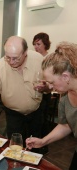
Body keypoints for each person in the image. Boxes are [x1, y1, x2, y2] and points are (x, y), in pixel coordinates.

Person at [0, 36, 48, 153]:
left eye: (15, 58)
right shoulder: (1, 66)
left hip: (36, 113)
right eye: (8, 57)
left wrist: (46, 87)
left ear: (25, 52)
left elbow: (52, 83)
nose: (11, 62)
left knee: (36, 151)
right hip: (14, 116)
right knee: (15, 150)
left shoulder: (39, 60)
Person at [26, 41, 77, 169]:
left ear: (65, 77)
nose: (50, 87)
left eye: (51, 82)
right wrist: (43, 141)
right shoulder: (64, 96)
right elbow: (66, 125)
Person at [33, 32, 52, 154]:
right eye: (34, 44)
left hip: (45, 93)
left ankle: (43, 145)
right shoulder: (33, 58)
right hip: (36, 92)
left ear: (45, 44)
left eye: (38, 44)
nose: (36, 47)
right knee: (36, 120)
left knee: (42, 120)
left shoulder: (49, 59)